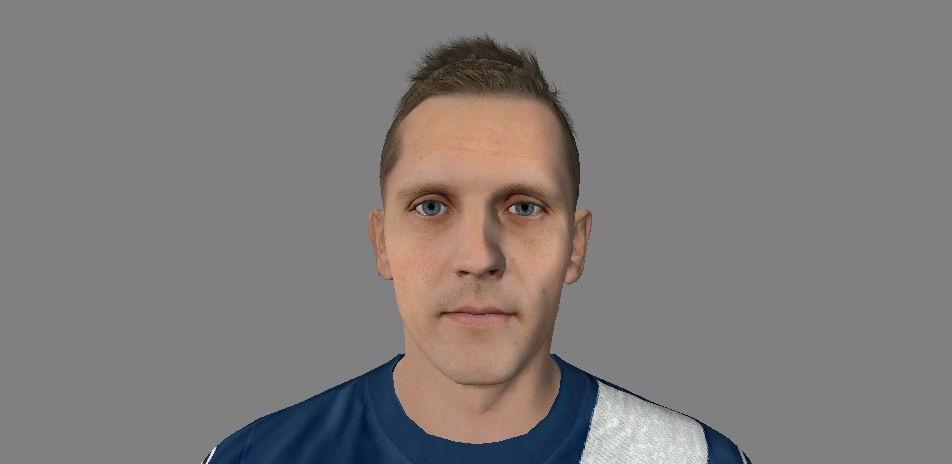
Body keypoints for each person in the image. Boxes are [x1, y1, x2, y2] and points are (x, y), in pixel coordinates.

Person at [201, 33, 752, 464]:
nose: (479, 257)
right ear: (382, 242)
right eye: (432, 207)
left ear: (576, 245)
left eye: (524, 208)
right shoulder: (257, 458)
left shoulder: (694, 459)